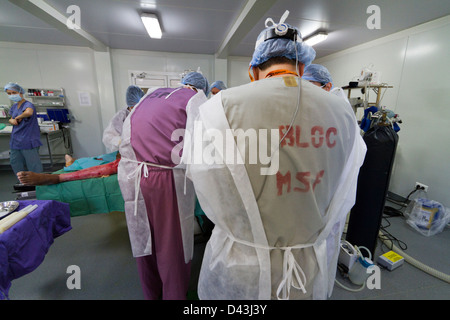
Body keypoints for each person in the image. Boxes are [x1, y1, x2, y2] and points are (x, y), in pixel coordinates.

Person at [184, 11, 367, 300]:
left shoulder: (218, 109)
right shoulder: (343, 114)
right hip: (308, 267)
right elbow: (345, 185)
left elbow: (206, 184)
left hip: (241, 265)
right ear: (303, 67)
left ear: (252, 71)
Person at [117, 71, 209, 300]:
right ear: (200, 88)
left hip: (133, 175)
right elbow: (204, 146)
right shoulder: (195, 100)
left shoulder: (150, 96)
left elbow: (125, 136)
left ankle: (152, 294)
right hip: (166, 180)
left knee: (144, 242)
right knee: (171, 247)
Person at [4, 82, 43, 176]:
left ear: (20, 92)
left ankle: (38, 185)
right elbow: (11, 117)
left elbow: (29, 112)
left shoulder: (28, 104)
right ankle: (23, 183)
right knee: (15, 163)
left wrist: (17, 118)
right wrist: (11, 120)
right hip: (16, 140)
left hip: (28, 139)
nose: (11, 95)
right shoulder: (14, 107)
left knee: (33, 165)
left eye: (14, 93)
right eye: (9, 94)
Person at [102, 85, 145, 152]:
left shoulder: (147, 113)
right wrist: (120, 141)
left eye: (140, 107)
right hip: (126, 152)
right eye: (134, 108)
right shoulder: (121, 117)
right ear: (129, 105)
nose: (137, 111)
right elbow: (107, 137)